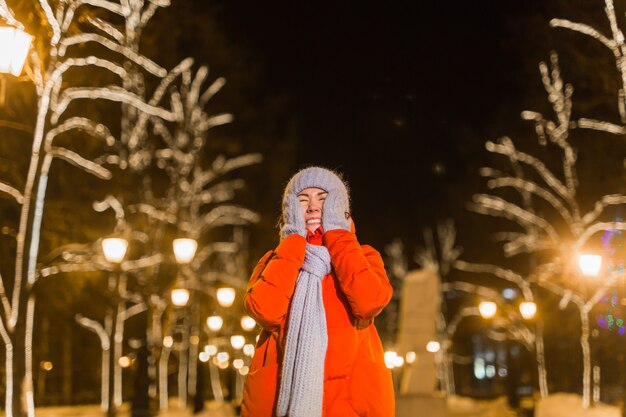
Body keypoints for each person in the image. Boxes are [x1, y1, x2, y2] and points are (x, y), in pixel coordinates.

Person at [241, 166, 395, 417]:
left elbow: (369, 302)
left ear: (340, 207)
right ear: (289, 211)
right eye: (302, 200)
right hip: (280, 400)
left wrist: (337, 233)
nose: (312, 207)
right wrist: (292, 241)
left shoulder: (363, 255)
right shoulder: (274, 260)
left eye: (324, 199)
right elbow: (265, 311)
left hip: (350, 402)